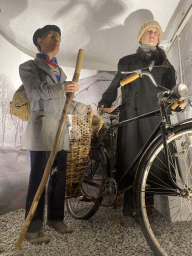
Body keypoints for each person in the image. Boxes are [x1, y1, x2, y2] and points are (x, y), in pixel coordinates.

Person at [97, 20, 186, 231]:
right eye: (149, 31)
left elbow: (170, 90)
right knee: (131, 161)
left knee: (154, 161)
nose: (153, 33)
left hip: (156, 116)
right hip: (132, 117)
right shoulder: (127, 61)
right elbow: (115, 84)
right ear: (140, 36)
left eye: (156, 31)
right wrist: (104, 102)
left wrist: (178, 102)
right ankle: (128, 210)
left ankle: (147, 208)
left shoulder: (165, 64)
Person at [19, 25, 92, 244]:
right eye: (52, 36)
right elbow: (35, 90)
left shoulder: (61, 72)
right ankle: (32, 229)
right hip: (43, 131)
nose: (57, 40)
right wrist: (63, 88)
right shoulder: (29, 66)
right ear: (40, 40)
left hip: (61, 133)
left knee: (59, 178)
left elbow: (64, 102)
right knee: (39, 179)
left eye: (59, 37)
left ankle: (55, 219)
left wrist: (81, 108)